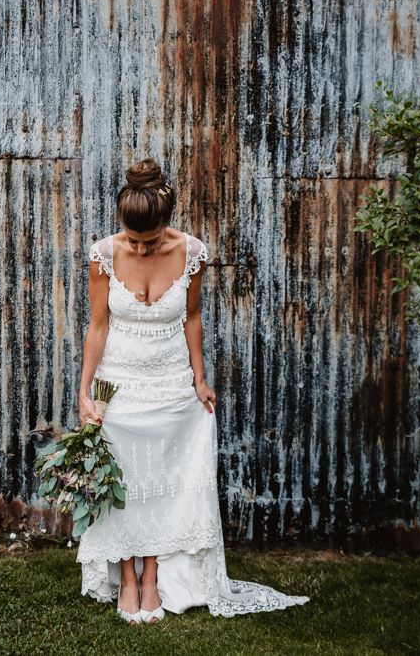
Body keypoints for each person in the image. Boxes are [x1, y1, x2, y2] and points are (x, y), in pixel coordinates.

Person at [75, 157, 310, 625]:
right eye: (133, 241)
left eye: (151, 241)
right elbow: (97, 326)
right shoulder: (103, 255)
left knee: (166, 480)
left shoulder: (192, 251)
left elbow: (193, 317)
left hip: (171, 381)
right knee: (121, 478)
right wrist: (84, 392)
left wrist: (199, 379)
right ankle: (125, 575)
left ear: (167, 223)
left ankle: (151, 577)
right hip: (116, 384)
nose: (141, 251)